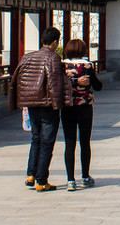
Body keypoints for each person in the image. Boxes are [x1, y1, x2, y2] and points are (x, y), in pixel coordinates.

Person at [9, 26, 65, 192]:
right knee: (47, 142)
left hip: (31, 103)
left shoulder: (27, 57)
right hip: (47, 104)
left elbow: (16, 78)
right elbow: (54, 83)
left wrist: (19, 100)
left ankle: (31, 174)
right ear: (55, 42)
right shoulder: (53, 57)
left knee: (35, 138)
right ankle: (41, 180)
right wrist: (57, 105)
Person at [60, 38, 101, 191]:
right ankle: (85, 176)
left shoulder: (62, 66)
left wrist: (72, 80)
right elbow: (98, 86)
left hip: (67, 107)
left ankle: (70, 180)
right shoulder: (88, 66)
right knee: (85, 142)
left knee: (69, 143)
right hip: (85, 107)